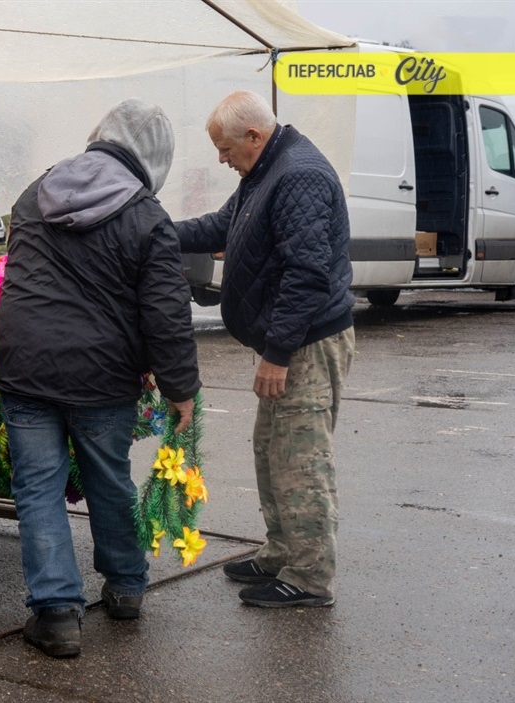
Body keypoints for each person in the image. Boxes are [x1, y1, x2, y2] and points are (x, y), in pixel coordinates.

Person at [0, 98, 201, 658]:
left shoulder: (36, 192)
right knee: (109, 479)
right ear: (155, 156)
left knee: (38, 487)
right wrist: (181, 389)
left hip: (25, 365)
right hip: (102, 376)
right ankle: (126, 587)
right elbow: (166, 314)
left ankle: (57, 614)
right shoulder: (146, 215)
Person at [176, 90, 356, 608]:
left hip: (306, 345)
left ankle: (310, 577)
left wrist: (277, 354)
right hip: (290, 340)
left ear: (254, 136)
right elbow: (222, 227)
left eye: (225, 148)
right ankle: (281, 552)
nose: (221, 158)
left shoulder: (298, 175)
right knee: (271, 451)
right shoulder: (266, 170)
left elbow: (307, 272)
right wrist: (153, 231)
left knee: (301, 461)